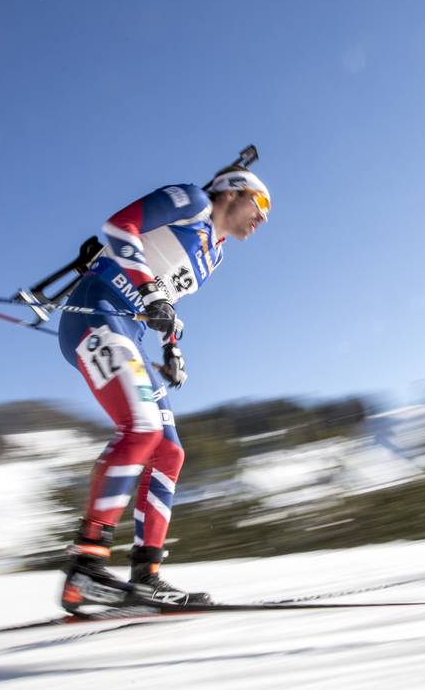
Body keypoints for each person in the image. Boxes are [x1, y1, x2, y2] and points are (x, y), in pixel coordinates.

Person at [55, 160, 271, 612]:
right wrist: (150, 294)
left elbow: (164, 297)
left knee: (168, 451)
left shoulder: (215, 255)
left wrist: (172, 346)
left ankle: (146, 575)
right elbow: (119, 227)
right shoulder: (192, 201)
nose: (264, 215)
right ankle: (85, 568)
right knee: (141, 429)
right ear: (231, 192)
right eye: (260, 201)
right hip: (96, 312)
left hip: (127, 331)